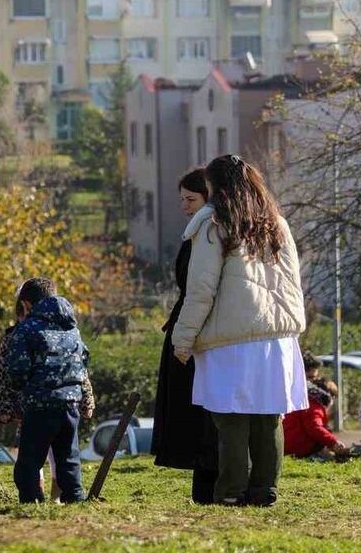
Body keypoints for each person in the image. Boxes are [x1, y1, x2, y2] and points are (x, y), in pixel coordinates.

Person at [171, 155, 308, 508]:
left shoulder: (215, 224)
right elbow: (293, 282)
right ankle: (266, 489)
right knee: (268, 418)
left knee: (230, 420)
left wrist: (182, 338)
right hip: (277, 337)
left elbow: (201, 289)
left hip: (231, 337)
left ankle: (231, 490)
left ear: (216, 187)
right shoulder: (277, 224)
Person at [0, 279, 95, 502]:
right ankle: (75, 498)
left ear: (26, 305)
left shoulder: (25, 330)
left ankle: (32, 502)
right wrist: (82, 397)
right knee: (68, 460)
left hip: (39, 405)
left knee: (28, 463)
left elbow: (17, 370)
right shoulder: (72, 329)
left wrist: (20, 392)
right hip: (70, 405)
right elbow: (83, 363)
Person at [151, 168, 219, 504]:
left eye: (190, 199)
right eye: (181, 199)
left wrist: (185, 337)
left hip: (197, 334)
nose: (184, 206)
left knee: (201, 414)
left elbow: (200, 290)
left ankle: (208, 486)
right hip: (189, 326)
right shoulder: (198, 231)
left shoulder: (207, 232)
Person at [283, 381, 346, 460]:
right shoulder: (314, 405)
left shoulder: (304, 400)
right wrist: (333, 442)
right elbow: (315, 427)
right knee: (329, 457)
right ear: (330, 397)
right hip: (298, 446)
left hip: (290, 442)